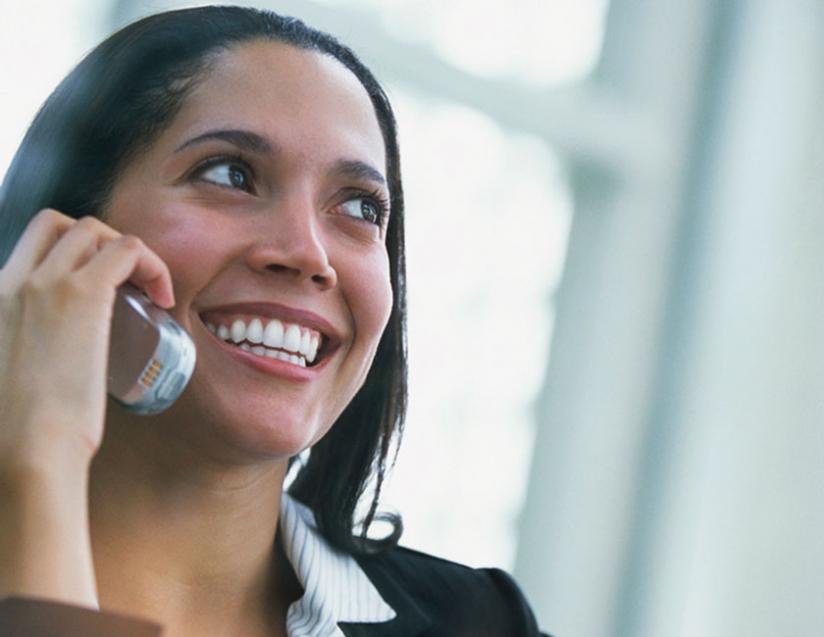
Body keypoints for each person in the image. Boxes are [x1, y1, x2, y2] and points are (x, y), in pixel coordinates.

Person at [0, 6, 550, 636]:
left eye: (359, 207)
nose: (309, 254)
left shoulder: (482, 623)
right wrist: (40, 461)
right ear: (66, 234)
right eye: (231, 174)